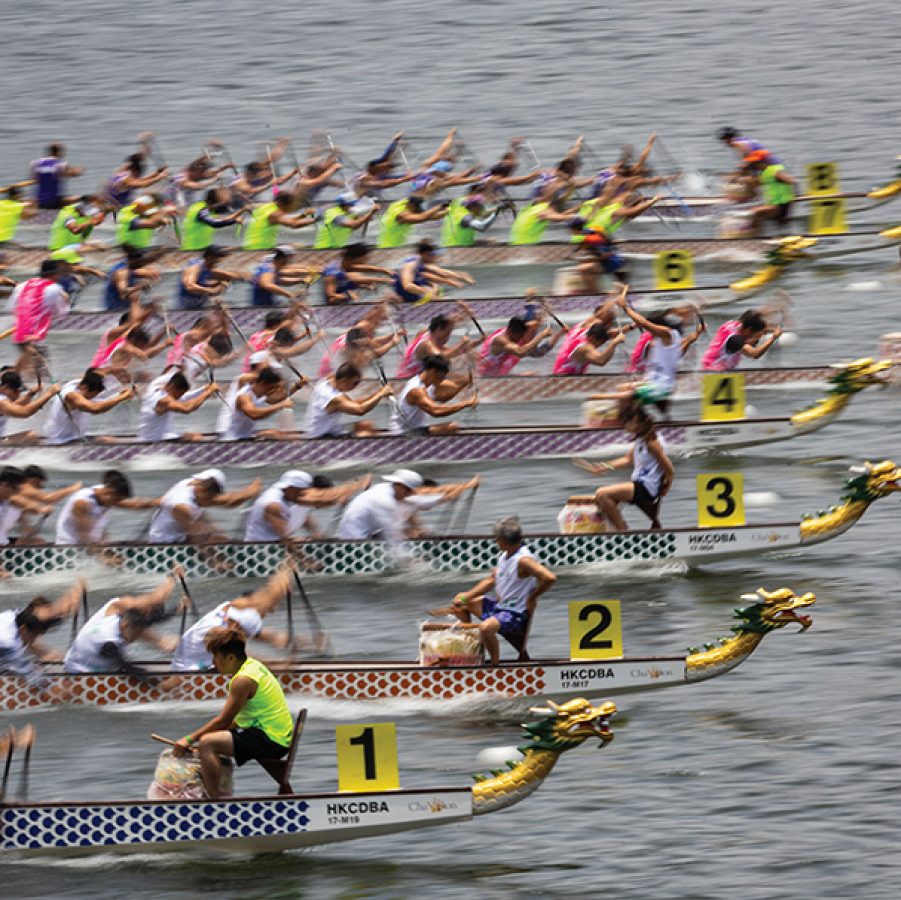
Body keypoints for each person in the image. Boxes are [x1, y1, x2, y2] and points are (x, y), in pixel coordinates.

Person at [172, 626, 294, 799]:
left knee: (208, 743)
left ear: (230, 657)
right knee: (213, 739)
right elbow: (234, 721)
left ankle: (212, 800)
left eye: (216, 657)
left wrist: (189, 739)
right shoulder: (252, 665)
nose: (213, 662)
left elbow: (224, 720)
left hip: (272, 740)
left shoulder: (243, 680)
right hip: (274, 734)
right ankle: (216, 791)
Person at [451, 516, 556, 664]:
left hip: (515, 614)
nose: (495, 541)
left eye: (497, 539)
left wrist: (533, 597)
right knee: (461, 603)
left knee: (484, 628)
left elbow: (549, 578)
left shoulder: (524, 560)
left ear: (504, 541)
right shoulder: (505, 555)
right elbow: (490, 580)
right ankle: (472, 653)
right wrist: (465, 598)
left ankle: (494, 665)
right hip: (500, 607)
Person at [170, 566, 295, 671]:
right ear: (236, 625)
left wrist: (285, 574)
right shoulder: (218, 631)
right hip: (188, 670)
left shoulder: (228, 608)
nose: (244, 637)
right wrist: (277, 666)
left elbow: (262, 601)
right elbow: (243, 658)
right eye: (244, 633)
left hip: (202, 660)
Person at [575, 401, 674, 531]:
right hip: (640, 484)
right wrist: (604, 466)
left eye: (625, 423)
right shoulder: (642, 438)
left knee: (602, 494)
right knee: (605, 500)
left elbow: (670, 470)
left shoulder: (652, 443)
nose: (624, 427)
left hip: (646, 488)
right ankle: (612, 530)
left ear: (635, 419)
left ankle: (622, 531)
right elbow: (627, 459)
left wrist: (666, 487)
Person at [63, 573, 180, 673]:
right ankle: (165, 643)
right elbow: (126, 668)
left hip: (91, 660)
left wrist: (175, 610)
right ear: (125, 625)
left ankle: (166, 643)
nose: (133, 640)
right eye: (134, 635)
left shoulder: (122, 620)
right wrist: (155, 683)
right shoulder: (109, 639)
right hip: (79, 673)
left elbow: (148, 620)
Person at [0, 585, 83, 698]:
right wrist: (53, 689)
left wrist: (65, 609)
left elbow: (42, 617)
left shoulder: (12, 616)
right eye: (32, 636)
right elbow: (30, 674)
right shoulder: (8, 643)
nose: (33, 640)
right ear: (23, 629)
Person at [244, 470, 371, 542]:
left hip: (277, 541)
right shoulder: (273, 504)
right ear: (291, 487)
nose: (304, 495)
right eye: (302, 491)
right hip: (261, 549)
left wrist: (319, 536)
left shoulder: (290, 495)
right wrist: (310, 563)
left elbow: (307, 516)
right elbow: (285, 541)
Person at [147, 469, 261, 544]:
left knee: (220, 538)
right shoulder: (183, 505)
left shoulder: (190, 485)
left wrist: (248, 493)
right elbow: (198, 537)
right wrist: (216, 562)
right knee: (214, 539)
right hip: (164, 542)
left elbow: (227, 501)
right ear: (206, 491)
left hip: (177, 533)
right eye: (210, 498)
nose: (212, 502)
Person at [54, 470, 158, 545]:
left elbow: (133, 505)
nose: (117, 504)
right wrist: (104, 556)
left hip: (92, 546)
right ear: (109, 493)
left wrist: (157, 502)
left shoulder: (105, 493)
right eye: (117, 500)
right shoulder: (82, 503)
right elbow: (84, 534)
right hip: (69, 548)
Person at [389, 354, 477, 436]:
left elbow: (445, 397)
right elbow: (436, 411)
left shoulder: (426, 385)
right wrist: (465, 404)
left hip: (415, 428)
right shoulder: (417, 389)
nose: (443, 379)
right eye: (443, 376)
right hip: (404, 433)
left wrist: (466, 381)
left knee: (452, 427)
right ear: (433, 371)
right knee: (452, 427)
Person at [42, 367, 134, 445]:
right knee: (108, 441)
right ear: (85, 387)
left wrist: (120, 373)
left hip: (74, 438)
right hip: (61, 442)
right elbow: (95, 408)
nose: (92, 398)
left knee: (108, 440)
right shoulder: (71, 396)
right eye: (93, 395)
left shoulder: (78, 383)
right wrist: (123, 397)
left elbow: (101, 408)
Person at [8, 258, 70, 372]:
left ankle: (15, 381)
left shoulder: (22, 285)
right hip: (34, 334)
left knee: (30, 368)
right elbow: (61, 313)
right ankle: (10, 381)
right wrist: (65, 298)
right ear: (55, 274)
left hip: (19, 332)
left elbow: (12, 307)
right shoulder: (55, 289)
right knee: (42, 370)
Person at [304, 361, 393, 438]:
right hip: (320, 437)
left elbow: (353, 403)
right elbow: (360, 410)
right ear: (343, 380)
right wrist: (381, 394)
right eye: (355, 383)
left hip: (331, 429)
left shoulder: (326, 381)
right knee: (365, 434)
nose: (356, 386)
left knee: (366, 425)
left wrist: (378, 394)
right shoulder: (334, 398)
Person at [220, 365, 301, 440]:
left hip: (246, 437)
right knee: (275, 435)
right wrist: (280, 406)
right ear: (262, 384)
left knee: (276, 434)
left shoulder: (260, 394)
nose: (275, 391)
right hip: (233, 440)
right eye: (273, 388)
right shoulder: (244, 396)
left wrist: (297, 386)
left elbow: (276, 400)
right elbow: (254, 414)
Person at [138, 371, 221, 441]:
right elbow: (187, 408)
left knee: (195, 435)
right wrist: (208, 392)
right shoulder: (162, 400)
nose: (179, 397)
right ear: (172, 387)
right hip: (154, 441)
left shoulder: (160, 392)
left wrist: (204, 388)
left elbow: (186, 398)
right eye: (179, 394)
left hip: (160, 436)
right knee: (197, 438)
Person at [390, 239, 475, 303]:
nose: (436, 258)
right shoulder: (411, 265)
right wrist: (427, 292)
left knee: (436, 283)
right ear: (425, 254)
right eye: (433, 255)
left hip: (412, 291)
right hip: (403, 296)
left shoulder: (421, 261)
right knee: (438, 294)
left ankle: (461, 275)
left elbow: (438, 272)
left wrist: (453, 279)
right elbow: (407, 286)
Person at [395, 312, 472, 378]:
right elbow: (442, 357)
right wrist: (461, 343)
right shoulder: (426, 344)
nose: (448, 336)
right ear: (438, 329)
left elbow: (453, 352)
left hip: (417, 376)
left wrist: (479, 341)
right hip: (408, 379)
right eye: (448, 332)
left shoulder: (426, 332)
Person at [701, 310, 783, 371]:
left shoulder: (734, 324)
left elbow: (750, 318)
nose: (761, 335)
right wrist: (773, 337)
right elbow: (755, 354)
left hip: (708, 364)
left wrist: (771, 329)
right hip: (713, 373)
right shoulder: (736, 340)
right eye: (759, 333)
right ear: (750, 329)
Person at [476, 315, 556, 377]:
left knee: (530, 375)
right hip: (485, 378)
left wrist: (541, 318)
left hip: (498, 374)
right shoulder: (501, 340)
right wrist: (541, 335)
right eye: (519, 336)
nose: (520, 340)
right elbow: (520, 352)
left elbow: (530, 324)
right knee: (527, 376)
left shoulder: (512, 329)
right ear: (511, 332)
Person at [242, 191, 317, 250]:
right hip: (259, 249)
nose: (294, 206)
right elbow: (294, 224)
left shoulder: (267, 207)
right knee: (297, 246)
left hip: (253, 246)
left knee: (294, 246)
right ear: (283, 204)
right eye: (292, 204)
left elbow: (289, 220)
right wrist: (317, 219)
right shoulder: (274, 214)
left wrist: (304, 215)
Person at [744, 151, 797, 234]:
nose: (754, 165)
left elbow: (791, 181)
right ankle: (765, 235)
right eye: (753, 163)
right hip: (774, 204)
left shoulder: (774, 171)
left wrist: (794, 195)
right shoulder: (765, 173)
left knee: (756, 212)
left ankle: (749, 235)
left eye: (755, 163)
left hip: (781, 204)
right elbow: (756, 183)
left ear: (763, 162)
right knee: (781, 227)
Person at [321, 242, 392, 304]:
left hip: (344, 289)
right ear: (354, 258)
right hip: (334, 302)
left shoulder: (346, 264)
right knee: (354, 276)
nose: (367, 259)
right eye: (364, 257)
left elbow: (367, 268)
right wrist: (347, 296)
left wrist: (384, 270)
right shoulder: (333, 274)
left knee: (360, 279)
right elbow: (330, 295)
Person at [0, 368, 61, 441]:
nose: (18, 394)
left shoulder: (3, 402)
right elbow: (24, 412)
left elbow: (15, 405)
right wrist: (49, 393)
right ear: (5, 387)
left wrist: (31, 393)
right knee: (31, 436)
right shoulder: (2, 401)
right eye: (16, 390)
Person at [178, 245, 245, 310]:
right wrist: (210, 291)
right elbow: (189, 286)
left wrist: (223, 284)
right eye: (218, 259)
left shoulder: (208, 268)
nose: (219, 262)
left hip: (200, 304)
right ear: (210, 257)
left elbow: (231, 276)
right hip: (186, 306)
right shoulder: (194, 267)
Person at [180, 187, 245, 250]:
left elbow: (219, 218)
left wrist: (238, 214)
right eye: (222, 204)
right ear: (216, 203)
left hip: (203, 246)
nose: (222, 207)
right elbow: (214, 223)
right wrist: (234, 221)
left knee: (234, 248)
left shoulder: (205, 207)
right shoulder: (201, 210)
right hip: (195, 249)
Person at [250, 246, 318, 307]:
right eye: (289, 259)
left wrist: (300, 280)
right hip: (262, 306)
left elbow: (280, 281)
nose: (289, 262)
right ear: (284, 259)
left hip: (268, 303)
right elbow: (267, 285)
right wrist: (289, 295)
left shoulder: (272, 268)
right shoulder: (268, 267)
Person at [552, 322, 625, 375]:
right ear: (592, 338)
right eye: (599, 344)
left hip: (560, 374)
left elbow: (611, 333)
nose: (597, 347)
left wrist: (632, 326)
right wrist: (614, 343)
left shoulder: (584, 331)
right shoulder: (585, 348)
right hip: (563, 380)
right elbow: (601, 361)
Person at [313, 192, 379, 249]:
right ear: (346, 204)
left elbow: (358, 225)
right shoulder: (334, 214)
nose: (354, 205)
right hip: (325, 248)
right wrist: (371, 212)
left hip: (337, 247)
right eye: (352, 204)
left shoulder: (347, 211)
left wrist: (368, 214)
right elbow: (354, 225)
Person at [376, 194, 445, 248]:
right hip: (390, 247)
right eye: (417, 208)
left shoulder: (401, 203)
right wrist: (440, 206)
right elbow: (422, 217)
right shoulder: (402, 216)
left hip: (391, 245)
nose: (418, 210)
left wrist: (446, 211)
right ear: (411, 205)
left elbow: (429, 216)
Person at [30, 143, 84, 209]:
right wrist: (81, 169)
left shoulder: (36, 163)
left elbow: (34, 180)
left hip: (39, 202)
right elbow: (74, 173)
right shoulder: (60, 165)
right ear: (59, 152)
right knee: (83, 199)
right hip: (54, 202)